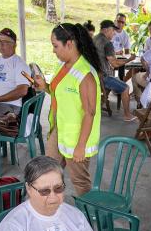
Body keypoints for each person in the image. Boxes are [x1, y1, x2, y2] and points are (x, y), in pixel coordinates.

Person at [32, 23, 102, 196]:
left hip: (78, 138)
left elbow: (90, 112)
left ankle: (88, 217)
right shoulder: (62, 66)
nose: (53, 50)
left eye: (55, 46)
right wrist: (45, 87)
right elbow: (59, 93)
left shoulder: (85, 74)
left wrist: (80, 147)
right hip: (60, 131)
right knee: (47, 173)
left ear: (69, 44)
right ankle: (50, 207)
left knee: (80, 182)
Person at [94, 19, 137, 122]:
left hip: (94, 75)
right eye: (113, 30)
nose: (114, 33)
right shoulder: (107, 43)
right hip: (104, 77)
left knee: (117, 78)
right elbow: (115, 63)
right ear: (107, 30)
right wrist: (130, 59)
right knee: (125, 88)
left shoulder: (94, 39)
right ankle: (127, 115)